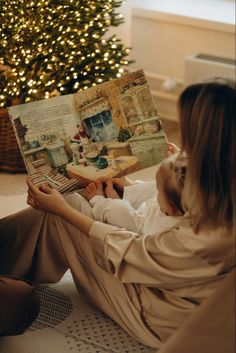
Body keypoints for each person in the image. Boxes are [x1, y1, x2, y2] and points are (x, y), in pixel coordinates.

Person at [0, 79, 235, 348]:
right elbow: (158, 204)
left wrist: (63, 210)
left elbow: (131, 251)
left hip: (159, 314)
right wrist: (125, 188)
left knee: (65, 205)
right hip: (176, 288)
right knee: (74, 201)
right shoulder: (221, 180)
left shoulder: (208, 232)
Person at [82, 155, 186, 235]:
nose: (158, 192)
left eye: (159, 192)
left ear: (170, 208)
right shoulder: (184, 200)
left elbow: (137, 226)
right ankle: (130, 190)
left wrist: (113, 202)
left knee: (122, 211)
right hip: (154, 206)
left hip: (140, 221)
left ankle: (101, 200)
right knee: (157, 186)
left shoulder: (160, 228)